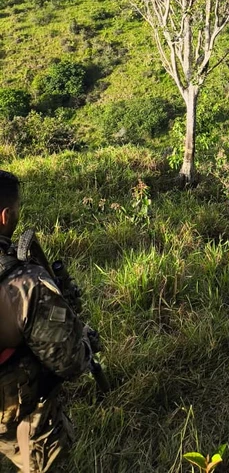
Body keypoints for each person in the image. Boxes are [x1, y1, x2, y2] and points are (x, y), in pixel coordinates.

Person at [0, 170, 91, 472]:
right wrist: (85, 341)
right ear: (5, 216)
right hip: (11, 410)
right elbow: (69, 362)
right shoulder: (25, 283)